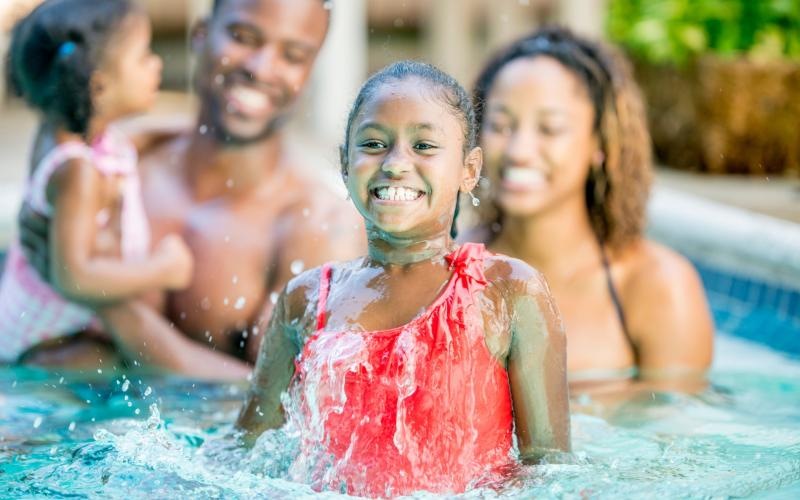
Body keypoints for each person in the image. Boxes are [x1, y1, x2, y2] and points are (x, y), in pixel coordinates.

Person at [236, 61, 570, 497]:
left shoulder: (506, 292)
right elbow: (246, 451)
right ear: (344, 162)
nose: (395, 164)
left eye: (424, 146)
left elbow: (549, 471)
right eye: (374, 144)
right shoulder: (308, 300)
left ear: (469, 169)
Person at [15, 0, 365, 379]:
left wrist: (100, 297)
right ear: (200, 35)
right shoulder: (110, 167)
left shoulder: (318, 229)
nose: (260, 68)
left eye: (293, 55)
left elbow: (291, 405)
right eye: (242, 37)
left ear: (311, 70)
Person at [470, 27, 713, 393]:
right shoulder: (449, 270)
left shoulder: (657, 287)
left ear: (600, 143)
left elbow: (682, 435)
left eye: (549, 129)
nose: (519, 150)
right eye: (500, 125)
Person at [0, 0, 194, 364]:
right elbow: (73, 276)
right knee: (115, 367)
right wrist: (164, 269)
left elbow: (132, 140)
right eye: (144, 56)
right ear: (100, 87)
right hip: (42, 342)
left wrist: (191, 131)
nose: (157, 64)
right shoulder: (78, 173)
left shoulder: (72, 132)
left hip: (58, 322)